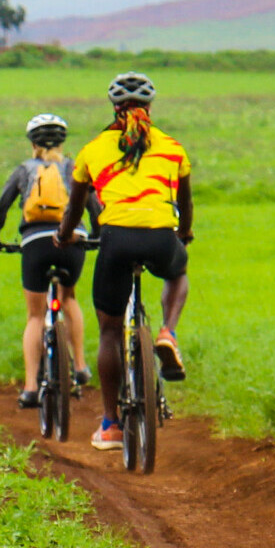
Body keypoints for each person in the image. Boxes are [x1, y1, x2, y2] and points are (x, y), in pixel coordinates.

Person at [56, 72, 190, 451]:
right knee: (178, 272)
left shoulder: (92, 149)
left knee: (111, 333)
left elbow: (77, 205)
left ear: (114, 109)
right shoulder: (173, 147)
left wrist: (64, 236)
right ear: (150, 107)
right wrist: (184, 235)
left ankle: (112, 424)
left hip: (114, 240)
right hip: (162, 237)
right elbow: (187, 203)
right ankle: (168, 332)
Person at [0, 113, 90, 411]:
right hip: (72, 241)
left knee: (34, 316)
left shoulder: (24, 170)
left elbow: (0, 210)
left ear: (32, 142)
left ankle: (30, 388)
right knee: (68, 298)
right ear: (63, 142)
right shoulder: (73, 168)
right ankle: (79, 366)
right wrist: (98, 237)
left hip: (35, 243)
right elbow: (93, 207)